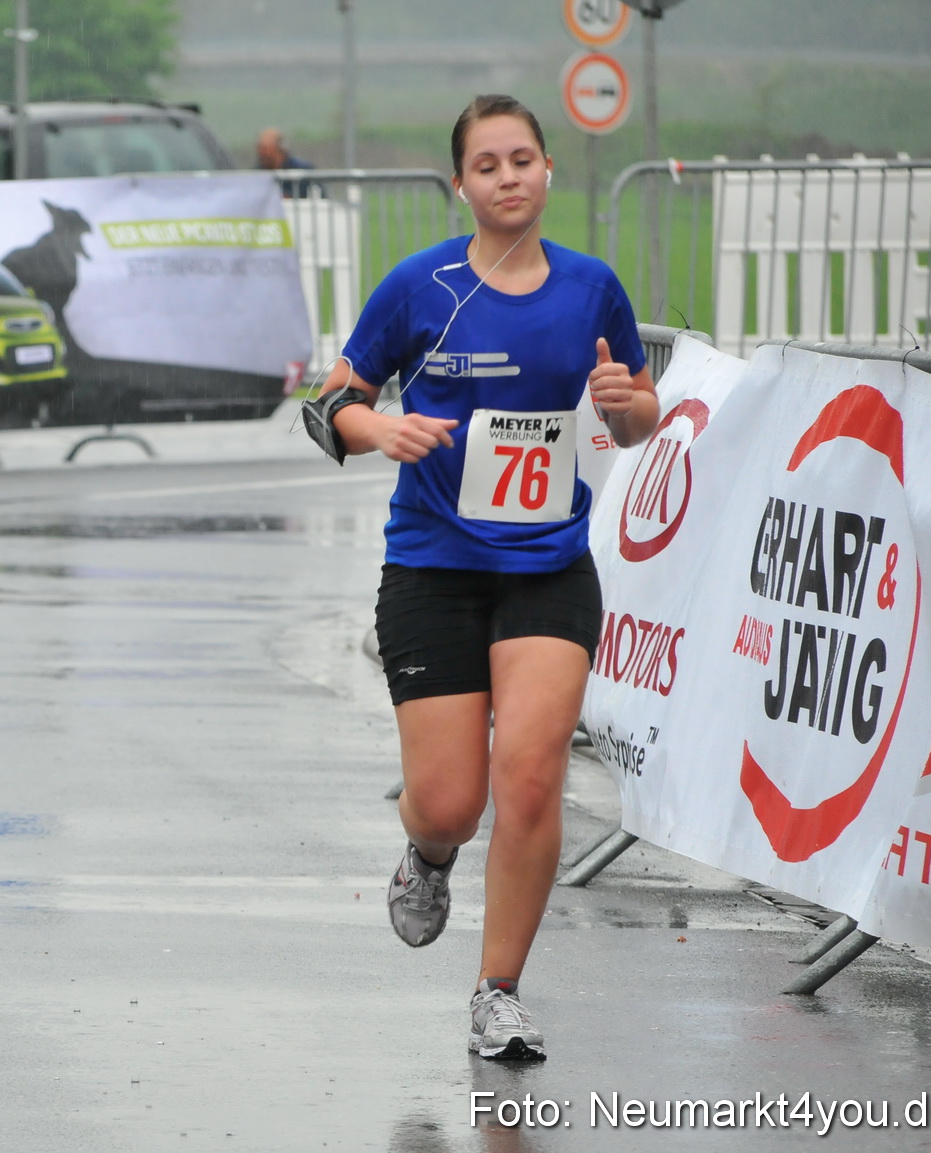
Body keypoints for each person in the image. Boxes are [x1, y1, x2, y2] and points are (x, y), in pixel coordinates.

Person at [310, 94, 658, 1060]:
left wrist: (629, 404)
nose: (507, 178)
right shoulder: (419, 287)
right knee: (453, 800)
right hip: (433, 569)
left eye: (522, 160)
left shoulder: (591, 288)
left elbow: (638, 414)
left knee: (533, 773)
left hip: (548, 569)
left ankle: (497, 990)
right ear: (460, 183)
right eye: (487, 165)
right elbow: (330, 398)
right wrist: (374, 425)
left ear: (549, 171)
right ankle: (428, 851)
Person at [256, 127, 316, 198]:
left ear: (280, 150)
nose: (264, 154)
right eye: (261, 150)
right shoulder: (255, 173)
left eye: (267, 150)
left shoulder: (304, 170)